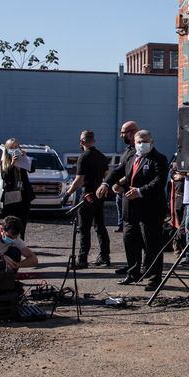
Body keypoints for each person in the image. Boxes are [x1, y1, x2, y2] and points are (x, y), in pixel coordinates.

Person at [105, 130, 167, 290]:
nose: (141, 144)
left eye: (145, 141)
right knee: (130, 241)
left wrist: (139, 192)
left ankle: (154, 278)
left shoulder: (159, 159)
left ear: (151, 142)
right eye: (139, 142)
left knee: (151, 245)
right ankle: (133, 272)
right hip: (130, 209)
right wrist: (107, 184)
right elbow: (118, 172)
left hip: (149, 210)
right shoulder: (131, 157)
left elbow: (159, 182)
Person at [64, 130, 111, 268]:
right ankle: (104, 256)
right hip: (99, 194)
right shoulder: (102, 156)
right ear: (94, 141)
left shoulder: (84, 157)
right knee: (100, 226)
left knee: (84, 228)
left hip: (87, 195)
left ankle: (82, 259)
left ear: (81, 142)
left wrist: (67, 194)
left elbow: (79, 180)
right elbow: (106, 175)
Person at [97, 121, 139, 265]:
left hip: (140, 202)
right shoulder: (128, 151)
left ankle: (144, 268)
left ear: (132, 133)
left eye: (123, 133)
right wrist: (106, 183)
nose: (122, 136)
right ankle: (131, 266)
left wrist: (121, 182)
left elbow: (135, 173)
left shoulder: (141, 152)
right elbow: (119, 170)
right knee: (128, 236)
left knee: (141, 239)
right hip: (127, 201)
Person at [0, 138, 36, 239]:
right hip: (11, 195)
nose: (15, 150)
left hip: (23, 194)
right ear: (8, 150)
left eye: (17, 147)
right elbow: (5, 177)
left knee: (22, 221)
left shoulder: (22, 160)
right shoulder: (5, 162)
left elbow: (32, 170)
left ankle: (20, 242)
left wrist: (25, 158)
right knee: (10, 221)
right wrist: (12, 164)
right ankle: (8, 241)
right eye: (12, 148)